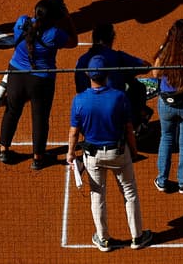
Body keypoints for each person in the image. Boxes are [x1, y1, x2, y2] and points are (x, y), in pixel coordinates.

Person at [66, 56, 154, 253]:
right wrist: (134, 150)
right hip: (119, 153)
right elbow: (129, 128)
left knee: (97, 195)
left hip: (92, 157)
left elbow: (74, 132)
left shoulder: (79, 100)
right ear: (107, 74)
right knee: (129, 193)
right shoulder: (119, 97)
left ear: (88, 75)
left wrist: (70, 153)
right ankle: (137, 237)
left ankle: (103, 240)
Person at [0, 0, 77, 169]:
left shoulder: (22, 22)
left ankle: (3, 151)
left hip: (16, 75)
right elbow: (73, 41)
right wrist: (66, 16)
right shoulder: (54, 34)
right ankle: (38, 159)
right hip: (41, 81)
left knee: (11, 111)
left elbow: (32, 29)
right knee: (40, 118)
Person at [151, 18, 183, 194]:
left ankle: (162, 180)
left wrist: (164, 43)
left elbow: (155, 73)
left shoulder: (166, 53)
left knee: (166, 138)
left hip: (167, 104)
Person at [74, 23, 151, 130]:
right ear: (111, 38)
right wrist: (128, 74)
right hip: (115, 112)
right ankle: (136, 125)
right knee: (138, 87)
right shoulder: (118, 57)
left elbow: (79, 89)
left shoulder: (81, 60)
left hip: (87, 114)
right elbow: (146, 67)